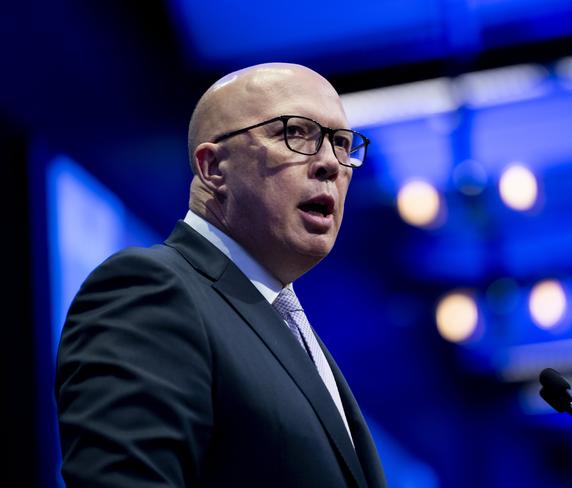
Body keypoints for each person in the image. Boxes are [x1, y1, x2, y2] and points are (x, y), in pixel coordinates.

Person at [56, 63, 387, 487]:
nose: (329, 164)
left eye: (341, 143)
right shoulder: (150, 290)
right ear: (213, 168)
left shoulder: (286, 325)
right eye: (296, 133)